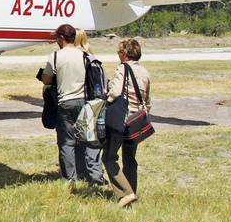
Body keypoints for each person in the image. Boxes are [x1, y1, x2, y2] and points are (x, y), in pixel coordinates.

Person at [39, 24, 105, 187]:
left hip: (65, 103)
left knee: (67, 142)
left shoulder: (55, 56)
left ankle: (70, 178)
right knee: (88, 140)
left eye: (56, 38)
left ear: (61, 38)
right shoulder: (84, 55)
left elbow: (47, 79)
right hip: (84, 102)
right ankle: (92, 174)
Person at [104, 38, 151, 207]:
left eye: (119, 53)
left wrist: (107, 98)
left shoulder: (123, 68)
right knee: (130, 158)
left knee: (109, 157)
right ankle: (132, 191)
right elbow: (147, 99)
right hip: (136, 120)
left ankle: (125, 193)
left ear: (124, 54)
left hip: (120, 119)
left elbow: (115, 92)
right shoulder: (145, 72)